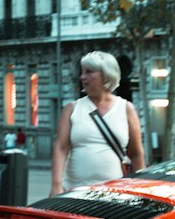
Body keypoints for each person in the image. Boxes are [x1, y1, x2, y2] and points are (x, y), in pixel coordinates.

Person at [51, 50, 144, 193]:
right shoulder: (71, 109)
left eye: (89, 72)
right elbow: (60, 147)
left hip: (114, 194)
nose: (82, 77)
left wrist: (141, 189)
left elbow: (136, 154)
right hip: (75, 192)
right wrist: (56, 184)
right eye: (82, 72)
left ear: (106, 75)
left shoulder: (126, 109)